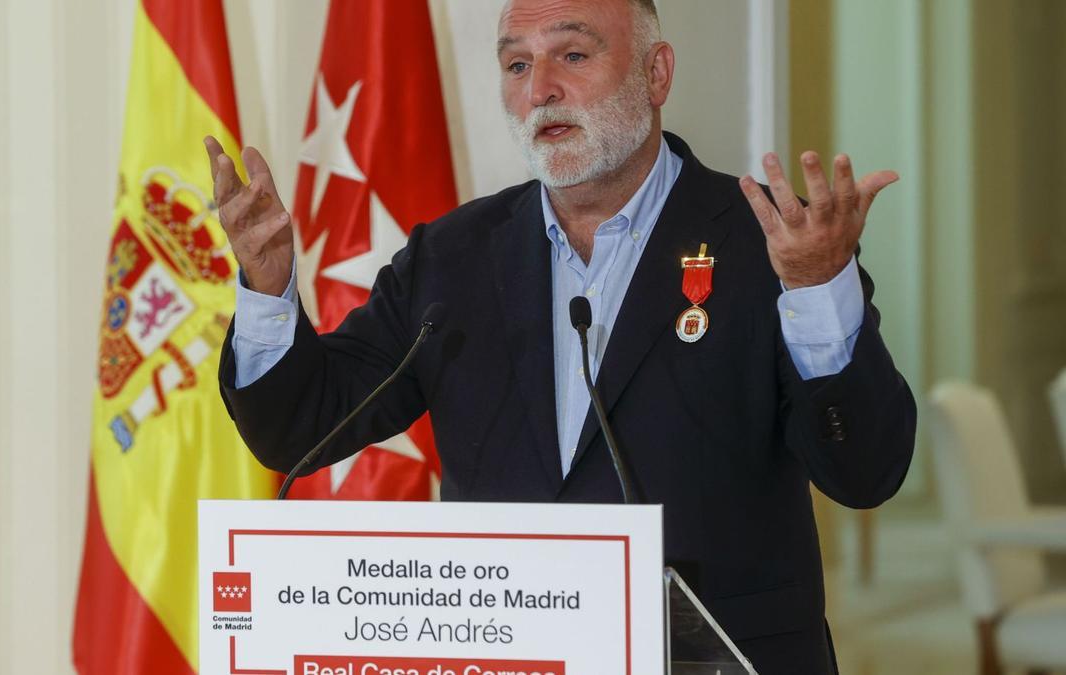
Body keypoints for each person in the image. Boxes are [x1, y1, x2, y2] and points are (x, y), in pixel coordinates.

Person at [204, 0, 916, 672]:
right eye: (517, 65)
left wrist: (819, 289)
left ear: (655, 72)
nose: (540, 89)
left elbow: (866, 472)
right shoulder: (451, 258)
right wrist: (266, 287)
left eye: (572, 54)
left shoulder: (771, 246)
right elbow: (300, 430)